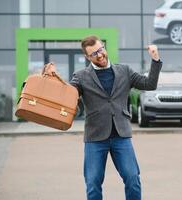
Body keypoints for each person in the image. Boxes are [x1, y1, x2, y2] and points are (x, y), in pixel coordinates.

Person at [43, 35, 162, 200]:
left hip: (121, 136)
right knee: (93, 184)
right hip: (95, 137)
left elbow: (150, 84)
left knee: (133, 178)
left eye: (100, 50)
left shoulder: (125, 71)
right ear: (87, 57)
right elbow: (67, 95)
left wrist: (155, 60)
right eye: (94, 54)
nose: (99, 55)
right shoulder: (81, 76)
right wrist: (51, 78)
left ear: (104, 47)